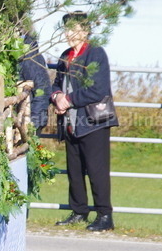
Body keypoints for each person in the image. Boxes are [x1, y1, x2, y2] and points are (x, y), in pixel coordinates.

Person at [51, 12, 118, 232]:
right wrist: (56, 97)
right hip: (70, 123)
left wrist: (67, 100)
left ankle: (105, 215)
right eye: (67, 29)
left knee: (97, 170)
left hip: (93, 122)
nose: (70, 34)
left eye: (76, 29)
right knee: (75, 170)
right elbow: (56, 85)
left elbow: (98, 90)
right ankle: (79, 211)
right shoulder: (65, 55)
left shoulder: (96, 53)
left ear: (86, 31)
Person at [19, 32, 53, 133]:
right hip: (23, 115)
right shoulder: (26, 53)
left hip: (30, 117)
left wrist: (33, 122)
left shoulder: (30, 56)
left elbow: (42, 89)